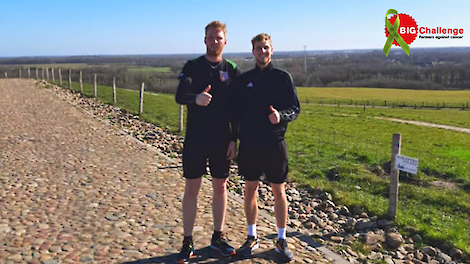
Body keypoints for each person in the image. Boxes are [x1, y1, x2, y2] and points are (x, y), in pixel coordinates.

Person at [230, 33, 300, 261]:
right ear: (253, 51)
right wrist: (233, 138)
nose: (263, 52)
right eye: (259, 48)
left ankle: (281, 239)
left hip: (274, 143)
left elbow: (295, 109)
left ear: (272, 50)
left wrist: (281, 116)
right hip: (249, 144)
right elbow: (235, 114)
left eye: (266, 48)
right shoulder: (244, 80)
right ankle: (252, 236)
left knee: (279, 191)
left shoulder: (283, 78)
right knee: (250, 190)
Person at [175, 21, 240, 264]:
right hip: (196, 138)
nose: (215, 41)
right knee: (192, 189)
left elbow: (237, 109)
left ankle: (218, 237)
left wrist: (234, 138)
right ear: (205, 40)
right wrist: (196, 98)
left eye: (219, 37)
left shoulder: (232, 69)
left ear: (225, 41)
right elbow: (179, 95)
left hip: (222, 139)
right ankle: (187, 241)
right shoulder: (192, 67)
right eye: (211, 37)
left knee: (220, 187)